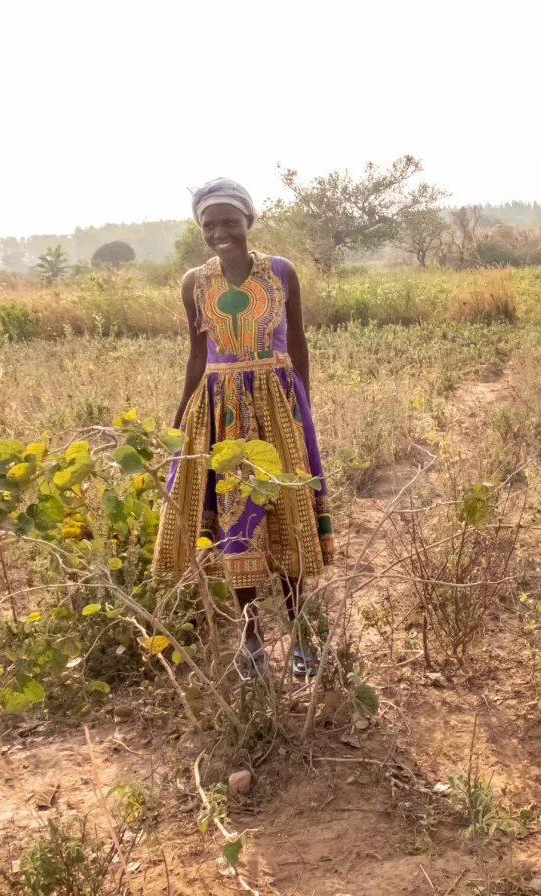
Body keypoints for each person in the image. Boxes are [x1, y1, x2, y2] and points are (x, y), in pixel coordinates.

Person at [152, 178, 335, 677]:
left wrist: (304, 407)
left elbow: (297, 341)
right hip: (220, 409)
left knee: (288, 510)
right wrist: (178, 425)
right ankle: (251, 637)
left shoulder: (281, 272)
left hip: (277, 401)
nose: (220, 232)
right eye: (209, 225)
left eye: (230, 222)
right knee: (238, 519)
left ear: (249, 221)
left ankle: (300, 635)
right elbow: (196, 356)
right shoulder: (195, 282)